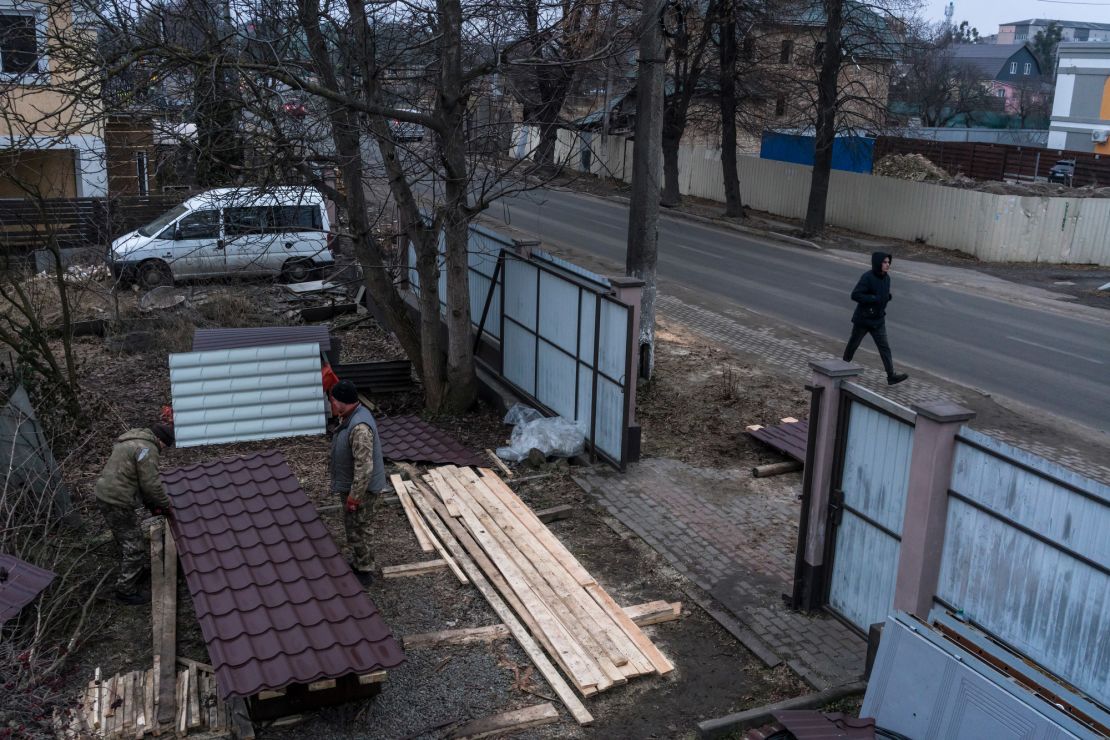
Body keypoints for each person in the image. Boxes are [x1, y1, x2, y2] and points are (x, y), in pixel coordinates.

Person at [94, 424, 175, 605]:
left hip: (105, 494)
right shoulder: (148, 449)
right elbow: (151, 484)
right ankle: (125, 591)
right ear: (160, 440)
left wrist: (151, 505)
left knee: (124, 538)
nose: (163, 449)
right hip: (117, 501)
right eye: (165, 446)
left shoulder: (132, 440)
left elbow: (136, 478)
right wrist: (166, 505)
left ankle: (134, 570)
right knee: (136, 547)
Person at [329, 380, 388, 587]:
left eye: (333, 400)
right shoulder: (351, 416)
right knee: (353, 526)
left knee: (361, 528)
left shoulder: (360, 428)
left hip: (362, 490)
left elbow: (364, 468)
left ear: (341, 402)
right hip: (354, 486)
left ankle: (365, 570)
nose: (331, 403)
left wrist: (355, 497)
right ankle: (358, 561)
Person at [843, 251, 909, 385]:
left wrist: (887, 297)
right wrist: (873, 298)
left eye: (888, 262)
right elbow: (855, 295)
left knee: (884, 348)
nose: (887, 264)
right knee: (853, 344)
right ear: (878, 263)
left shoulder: (887, 278)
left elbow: (882, 295)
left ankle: (891, 376)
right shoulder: (867, 277)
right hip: (863, 319)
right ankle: (841, 367)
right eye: (885, 262)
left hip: (878, 320)